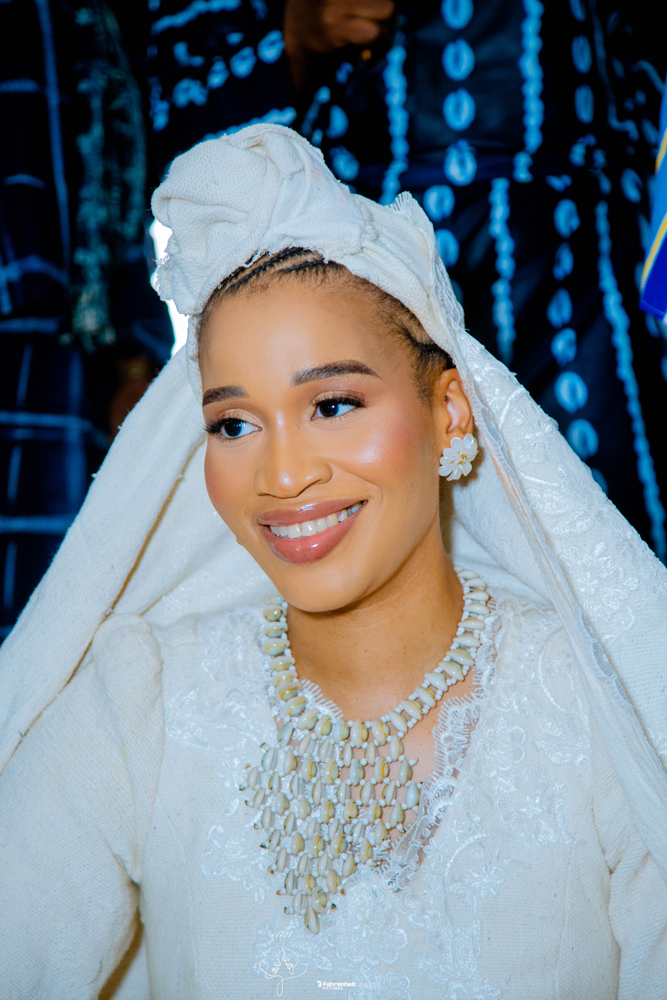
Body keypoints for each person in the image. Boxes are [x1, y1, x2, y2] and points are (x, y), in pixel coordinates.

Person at [0, 125, 666, 998]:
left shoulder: (601, 702)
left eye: (334, 404)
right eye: (233, 423)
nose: (281, 476)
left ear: (450, 412)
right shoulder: (140, 701)